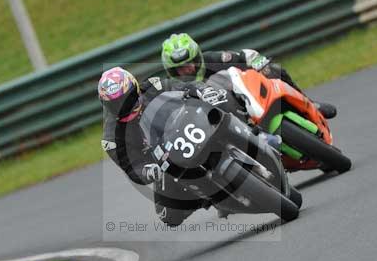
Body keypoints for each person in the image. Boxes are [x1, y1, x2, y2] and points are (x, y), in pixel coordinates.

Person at [99, 66, 217, 227]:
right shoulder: (111, 138)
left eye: (127, 99)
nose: (124, 106)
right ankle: (208, 198)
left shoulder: (153, 86)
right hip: (163, 161)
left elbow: (182, 85)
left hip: (189, 127)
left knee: (219, 103)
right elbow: (131, 167)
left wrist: (202, 90)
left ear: (136, 88)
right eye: (117, 104)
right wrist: (148, 171)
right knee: (168, 215)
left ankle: (253, 137)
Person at [160, 33, 337, 119]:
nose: (188, 70)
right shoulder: (176, 90)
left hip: (248, 99)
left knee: (273, 70)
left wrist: (260, 64)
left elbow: (245, 56)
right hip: (224, 122)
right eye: (180, 69)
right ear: (172, 72)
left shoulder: (213, 59)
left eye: (190, 63)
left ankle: (308, 103)